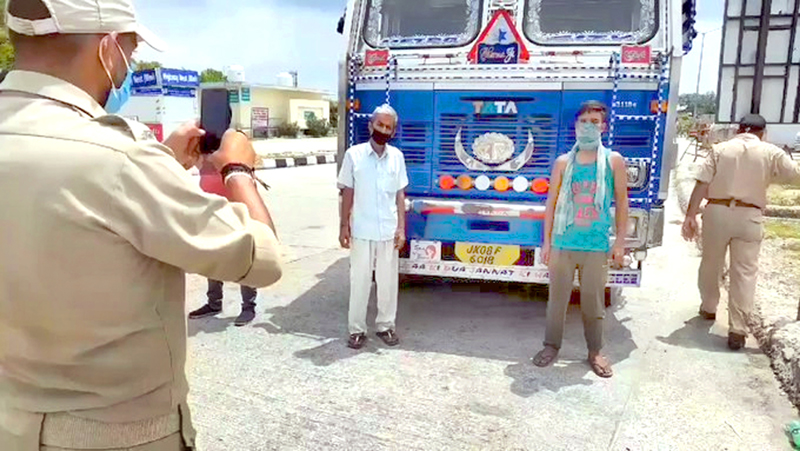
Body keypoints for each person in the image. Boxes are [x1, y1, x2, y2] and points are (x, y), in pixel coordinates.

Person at [0, 0, 283, 449]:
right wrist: (238, 171)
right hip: (116, 434)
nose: (128, 66)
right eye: (130, 54)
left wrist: (163, 164)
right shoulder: (122, 158)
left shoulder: (120, 162)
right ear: (107, 48)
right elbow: (260, 257)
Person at [682, 114, 800, 350]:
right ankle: (738, 328)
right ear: (763, 132)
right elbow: (795, 176)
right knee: (744, 273)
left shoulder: (719, 149)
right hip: (750, 215)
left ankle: (709, 307)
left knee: (711, 264)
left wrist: (690, 215)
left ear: (738, 129)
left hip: (717, 211)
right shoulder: (771, 152)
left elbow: (702, 183)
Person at [533, 101, 629, 378]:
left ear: (604, 127)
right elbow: (551, 204)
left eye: (594, 122)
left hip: (596, 244)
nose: (588, 126)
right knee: (557, 302)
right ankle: (551, 346)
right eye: (583, 121)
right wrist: (547, 243)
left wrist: (619, 242)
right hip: (564, 242)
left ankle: (595, 351)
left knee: (593, 303)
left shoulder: (613, 161)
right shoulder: (563, 162)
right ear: (576, 126)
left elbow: (622, 203)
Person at [337, 104, 408, 350]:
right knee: (360, 281)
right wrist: (343, 225)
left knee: (388, 282)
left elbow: (400, 196)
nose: (383, 130)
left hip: (388, 230)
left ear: (393, 131)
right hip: (361, 229)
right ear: (370, 125)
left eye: (388, 127)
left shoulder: (397, 157)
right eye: (380, 125)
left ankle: (386, 326)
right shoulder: (353, 155)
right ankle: (357, 330)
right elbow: (347, 192)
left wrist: (401, 228)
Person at [189, 159, 260, 327]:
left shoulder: (234, 159)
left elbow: (249, 189)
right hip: (213, 216)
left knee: (243, 261)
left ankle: (248, 307)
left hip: (237, 216)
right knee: (213, 260)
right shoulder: (205, 159)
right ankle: (214, 303)